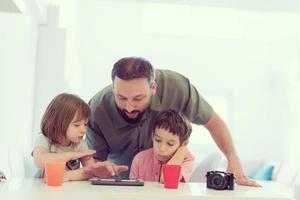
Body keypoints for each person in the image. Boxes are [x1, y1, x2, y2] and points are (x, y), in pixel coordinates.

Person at [86, 57, 259, 186]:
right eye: (121, 98)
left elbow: (213, 122)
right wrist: (97, 169)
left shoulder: (178, 88)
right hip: (119, 186)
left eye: (138, 98)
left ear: (153, 87)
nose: (129, 107)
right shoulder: (97, 109)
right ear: (113, 87)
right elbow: (93, 161)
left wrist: (233, 160)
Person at [32, 93, 128, 181]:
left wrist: (103, 168)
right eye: (77, 125)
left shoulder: (80, 144)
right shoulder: (44, 140)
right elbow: (40, 161)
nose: (83, 130)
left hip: (68, 190)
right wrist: (72, 155)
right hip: (43, 189)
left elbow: (90, 171)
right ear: (58, 122)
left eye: (85, 124)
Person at [130, 109, 194, 182]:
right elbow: (132, 191)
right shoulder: (139, 159)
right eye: (158, 140)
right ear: (152, 136)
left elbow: (168, 180)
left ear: (183, 144)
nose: (162, 148)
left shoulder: (187, 160)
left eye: (170, 144)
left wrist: (183, 150)